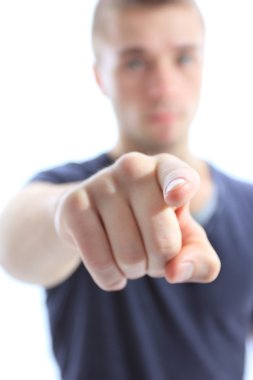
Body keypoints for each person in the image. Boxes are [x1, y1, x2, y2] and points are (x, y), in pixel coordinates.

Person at [0, 0, 253, 379]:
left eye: (183, 58)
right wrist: (66, 217)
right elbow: (17, 242)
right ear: (101, 76)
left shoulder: (249, 207)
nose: (163, 88)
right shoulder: (67, 189)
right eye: (135, 62)